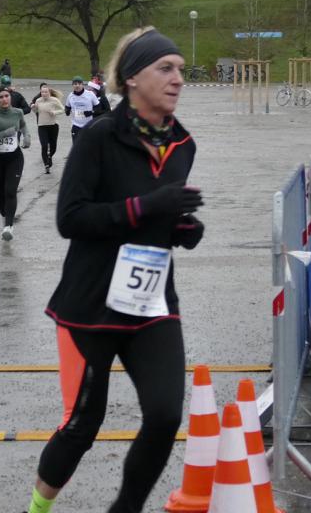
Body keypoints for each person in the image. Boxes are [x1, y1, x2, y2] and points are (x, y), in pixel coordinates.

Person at [27, 27, 204, 513]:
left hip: (151, 299)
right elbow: (70, 218)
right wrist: (146, 207)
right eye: (165, 68)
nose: (178, 79)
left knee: (165, 416)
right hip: (90, 305)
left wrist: (181, 228)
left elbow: (159, 217)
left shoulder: (183, 143)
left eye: (180, 69)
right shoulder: (100, 137)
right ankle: (36, 509)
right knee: (82, 425)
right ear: (131, 79)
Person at [0, 87, 31, 240]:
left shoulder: (18, 112)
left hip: (15, 157)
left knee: (10, 191)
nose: (4, 99)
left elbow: (23, 125)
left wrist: (26, 136)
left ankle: (8, 226)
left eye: (6, 96)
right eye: (1, 97)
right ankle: (5, 214)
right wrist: (3, 134)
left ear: (10, 97)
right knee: (1, 193)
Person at [32, 84, 64, 174]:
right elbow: (36, 111)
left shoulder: (54, 100)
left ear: (49, 92)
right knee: (44, 146)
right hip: (42, 126)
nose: (44, 94)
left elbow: (63, 109)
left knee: (53, 146)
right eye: (42, 92)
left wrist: (54, 112)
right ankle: (46, 164)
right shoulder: (38, 100)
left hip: (53, 126)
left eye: (46, 92)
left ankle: (49, 156)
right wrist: (33, 108)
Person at [64, 76, 99, 143]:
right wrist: (67, 111)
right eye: (75, 84)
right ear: (72, 85)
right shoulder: (70, 96)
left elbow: (98, 107)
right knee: (76, 146)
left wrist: (91, 112)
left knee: (88, 146)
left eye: (79, 84)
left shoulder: (90, 94)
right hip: (76, 125)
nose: (77, 86)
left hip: (88, 125)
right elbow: (67, 107)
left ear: (82, 85)